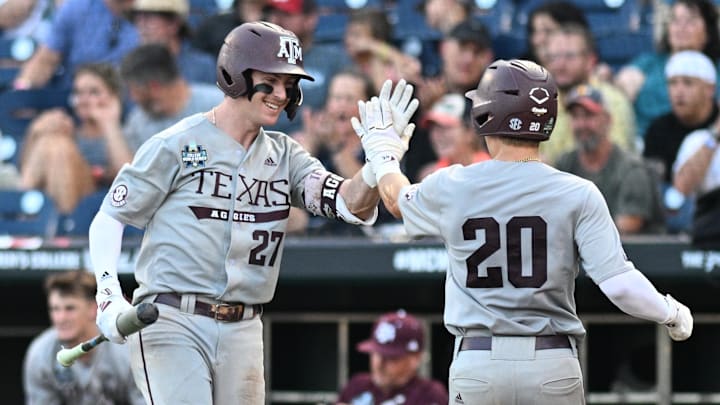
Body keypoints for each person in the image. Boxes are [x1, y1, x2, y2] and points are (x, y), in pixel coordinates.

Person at [88, 21, 416, 404]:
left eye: (289, 85)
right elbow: (111, 216)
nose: (281, 94)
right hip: (173, 318)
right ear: (235, 75)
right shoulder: (177, 143)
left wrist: (378, 165)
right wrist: (109, 294)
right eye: (270, 82)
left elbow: (347, 203)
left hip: (243, 326)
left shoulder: (285, 154)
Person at [355, 58, 693, 404]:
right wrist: (670, 312)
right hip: (550, 363)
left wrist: (384, 155)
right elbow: (619, 285)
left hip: (478, 362)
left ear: (485, 115)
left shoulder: (454, 183)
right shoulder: (578, 191)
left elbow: (395, 200)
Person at [19, 63, 132, 214]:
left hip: (104, 203)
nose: (84, 100)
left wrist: (109, 122)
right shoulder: (68, 132)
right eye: (78, 93)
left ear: (114, 96)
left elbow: (130, 180)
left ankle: (58, 225)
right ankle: (22, 217)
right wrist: (35, 132)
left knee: (60, 147)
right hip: (59, 195)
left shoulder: (127, 131)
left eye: (94, 92)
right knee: (50, 140)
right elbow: (27, 169)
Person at [555, 84, 663, 235]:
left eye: (588, 116)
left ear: (607, 120)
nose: (581, 124)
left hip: (632, 255)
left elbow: (628, 226)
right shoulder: (564, 164)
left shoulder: (631, 168)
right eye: (575, 117)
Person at [22, 270, 143, 405]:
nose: (61, 318)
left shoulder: (126, 348)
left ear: (93, 309)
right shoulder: (41, 353)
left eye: (70, 308)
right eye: (55, 309)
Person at [614, 0, 720, 140]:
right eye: (675, 20)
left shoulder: (716, 70)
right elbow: (617, 99)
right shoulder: (647, 65)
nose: (681, 27)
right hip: (646, 145)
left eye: (690, 21)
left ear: (708, 30)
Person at [643, 50, 718, 232]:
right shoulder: (658, 129)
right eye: (673, 83)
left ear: (709, 89)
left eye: (688, 83)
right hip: (675, 214)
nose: (679, 91)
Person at [541, 24, 636, 164]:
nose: (560, 65)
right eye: (554, 57)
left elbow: (614, 162)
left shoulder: (611, 101)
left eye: (569, 56)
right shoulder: (540, 103)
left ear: (590, 61)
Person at [265, 0, 351, 134]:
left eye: (286, 14)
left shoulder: (334, 59)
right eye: (274, 13)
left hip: (316, 143)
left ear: (311, 19)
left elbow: (344, 107)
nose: (276, 20)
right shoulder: (257, 58)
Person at [120, 43, 224, 153]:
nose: (132, 98)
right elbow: (129, 167)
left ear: (154, 87)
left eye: (134, 90)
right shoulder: (138, 123)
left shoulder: (219, 106)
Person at [12, 0, 139, 90]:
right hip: (77, 100)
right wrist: (22, 89)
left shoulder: (154, 10)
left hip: (134, 103)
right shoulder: (78, 7)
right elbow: (46, 59)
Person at [336, 310, 448, 405]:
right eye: (377, 354)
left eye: (391, 357)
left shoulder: (429, 394)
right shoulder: (357, 385)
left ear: (415, 359)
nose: (379, 364)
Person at [130, 0, 217, 85]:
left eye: (148, 19)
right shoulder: (132, 67)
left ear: (173, 24)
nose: (141, 26)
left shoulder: (203, 66)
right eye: (138, 19)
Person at [416, 93, 489, 181]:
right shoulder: (429, 176)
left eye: (446, 127)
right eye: (434, 128)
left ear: (470, 132)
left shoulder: (490, 173)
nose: (438, 135)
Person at [192, 0, 266, 57]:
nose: (253, 9)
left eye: (258, 5)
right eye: (251, 3)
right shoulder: (215, 24)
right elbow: (196, 54)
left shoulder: (269, 28)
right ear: (241, 3)